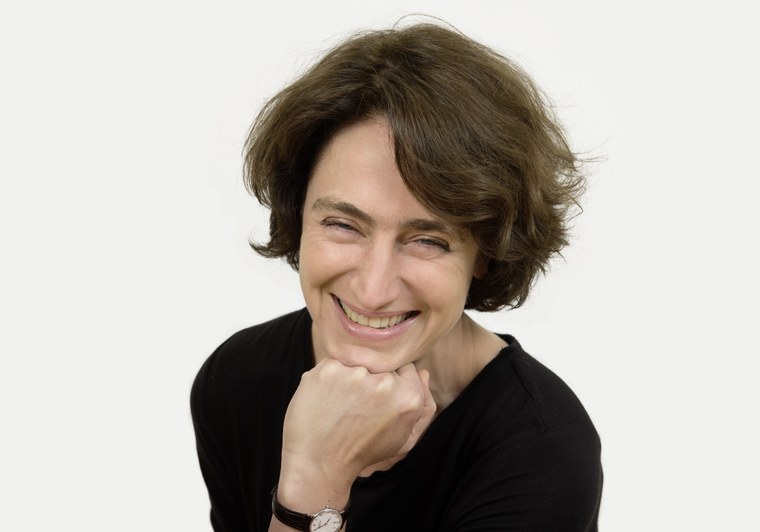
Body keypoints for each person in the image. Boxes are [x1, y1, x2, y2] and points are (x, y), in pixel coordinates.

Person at [191, 21, 602, 532]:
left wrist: (316, 480)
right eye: (343, 225)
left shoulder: (542, 450)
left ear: (486, 253)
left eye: (427, 240)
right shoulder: (237, 381)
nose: (373, 289)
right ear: (298, 216)